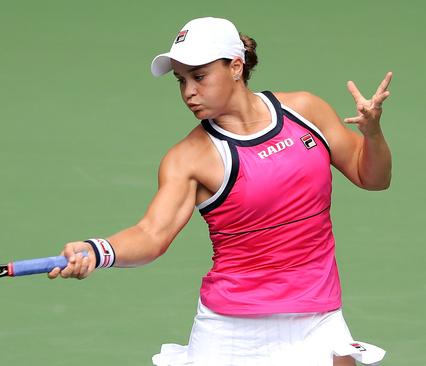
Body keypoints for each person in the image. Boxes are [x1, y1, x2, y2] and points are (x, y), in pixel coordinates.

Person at [48, 17, 392, 366]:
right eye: (181, 80)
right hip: (230, 333)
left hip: (318, 318)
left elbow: (373, 177)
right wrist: (98, 250)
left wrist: (373, 134)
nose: (188, 92)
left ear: (236, 67)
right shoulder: (189, 158)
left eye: (199, 76)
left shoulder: (304, 112)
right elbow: (152, 233)